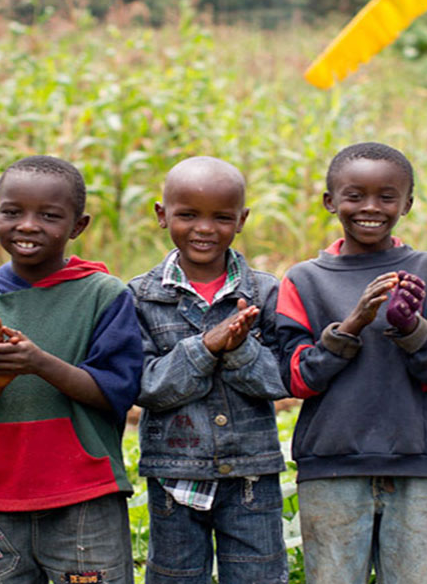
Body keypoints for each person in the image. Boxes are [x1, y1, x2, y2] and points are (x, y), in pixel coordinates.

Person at [273, 142, 427, 584]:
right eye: (355, 195)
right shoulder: (304, 280)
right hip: (331, 466)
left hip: (414, 465)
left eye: (387, 197)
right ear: (330, 201)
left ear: (408, 203)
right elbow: (295, 378)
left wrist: (412, 328)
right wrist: (352, 325)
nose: (370, 207)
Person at [0, 155, 144, 583]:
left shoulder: (103, 295)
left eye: (49, 216)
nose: (28, 226)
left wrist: (40, 363)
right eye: (13, 212)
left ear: (78, 226)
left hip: (85, 492)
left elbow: (116, 392)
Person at [132, 157, 290, 584]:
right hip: (174, 475)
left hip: (251, 475)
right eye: (188, 215)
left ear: (242, 220)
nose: (204, 229)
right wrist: (205, 347)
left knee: (259, 577)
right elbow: (145, 386)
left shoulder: (265, 292)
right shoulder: (140, 297)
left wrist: (239, 350)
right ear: (162, 215)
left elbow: (280, 380)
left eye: (221, 217)